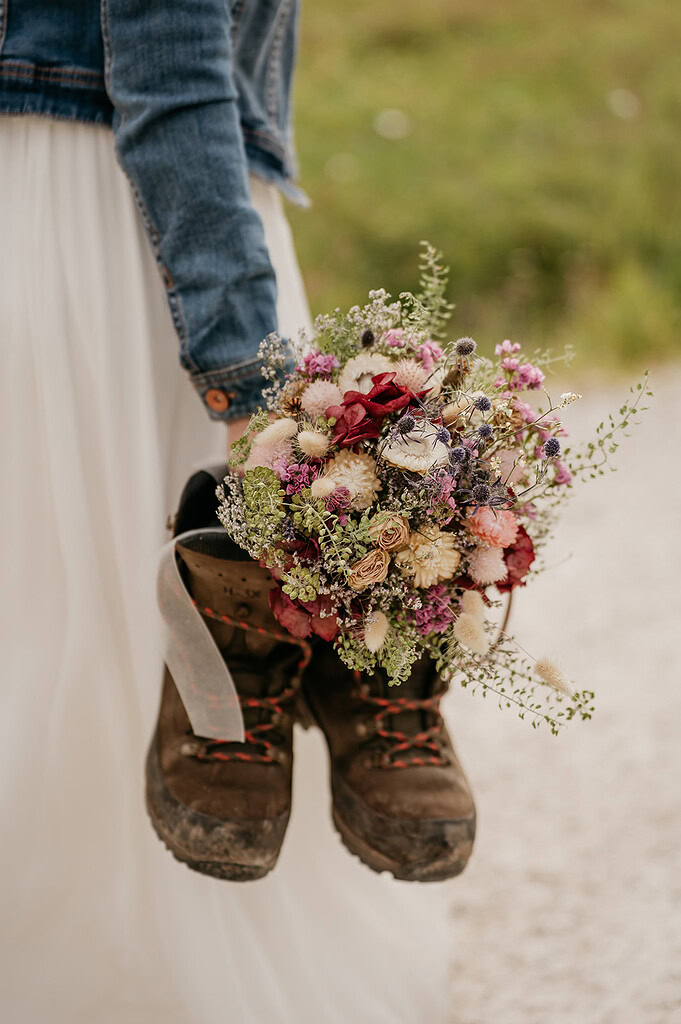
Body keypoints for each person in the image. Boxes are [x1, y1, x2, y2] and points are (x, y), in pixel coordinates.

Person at [0, 2, 472, 1019]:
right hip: (133, 204)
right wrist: (251, 371)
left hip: (64, 184)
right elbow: (167, 59)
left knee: (58, 620)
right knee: (164, 597)